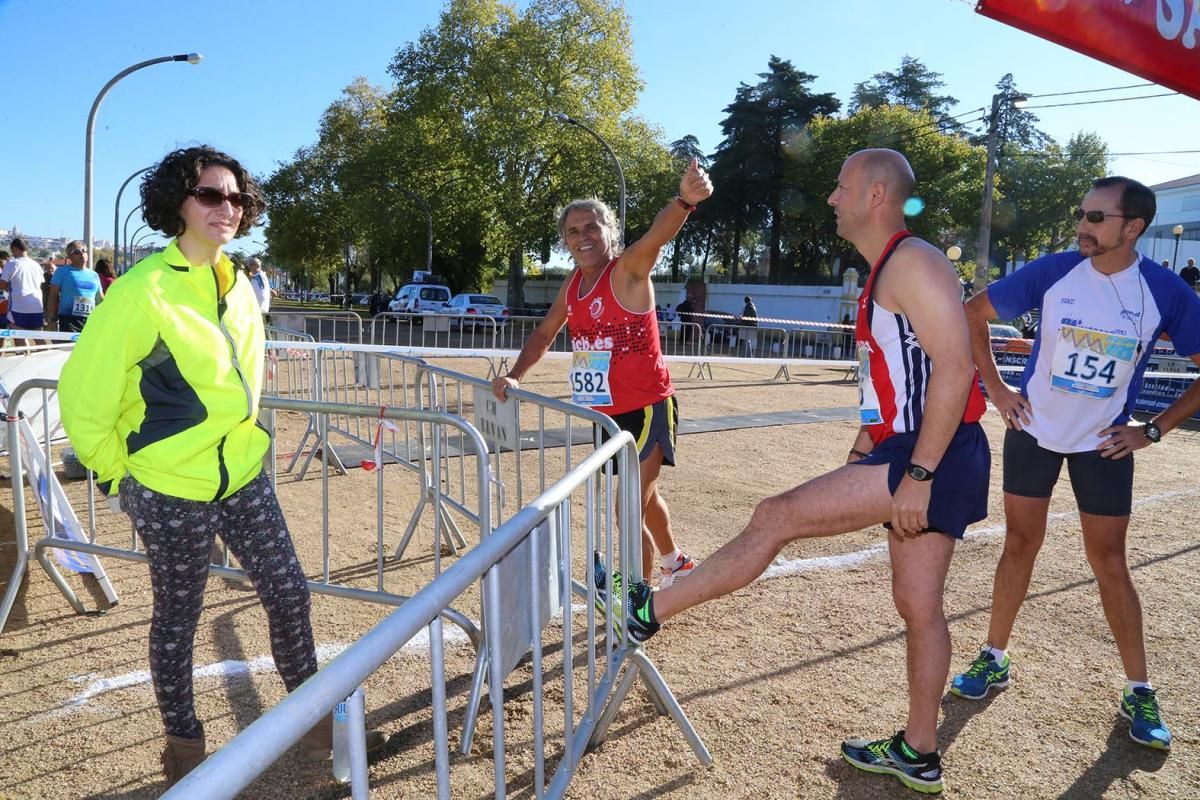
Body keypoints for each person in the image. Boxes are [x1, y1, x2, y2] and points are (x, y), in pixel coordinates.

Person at [597, 149, 990, 794]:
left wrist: (918, 473)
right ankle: (920, 749)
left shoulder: (913, 261)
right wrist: (869, 441)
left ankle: (648, 610)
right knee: (919, 605)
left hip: (932, 453)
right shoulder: (884, 272)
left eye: (841, 186)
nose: (831, 198)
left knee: (773, 516)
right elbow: (895, 376)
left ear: (875, 195)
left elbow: (955, 366)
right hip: (917, 449)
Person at [57, 146, 387, 788]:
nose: (225, 208)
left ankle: (314, 719)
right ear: (178, 202)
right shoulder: (140, 292)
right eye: (210, 195)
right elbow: (83, 396)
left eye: (235, 197)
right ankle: (184, 748)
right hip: (169, 488)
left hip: (243, 475)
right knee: (178, 619)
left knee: (289, 592)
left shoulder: (237, 284)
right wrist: (116, 476)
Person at [952, 177, 1200, 752]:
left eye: (1096, 217)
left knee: (1109, 561)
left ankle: (1139, 689)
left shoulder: (1164, 290)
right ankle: (994, 656)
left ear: (1132, 227)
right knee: (1019, 544)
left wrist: (1153, 430)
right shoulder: (1055, 269)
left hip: (1104, 446)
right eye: (1082, 214)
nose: (1082, 226)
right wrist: (996, 388)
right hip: (1033, 432)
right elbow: (973, 313)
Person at [492, 159, 712, 586]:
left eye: (592, 227)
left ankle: (637, 598)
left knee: (627, 507)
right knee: (646, 500)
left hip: (647, 409)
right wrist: (515, 374)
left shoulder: (627, 270)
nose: (583, 237)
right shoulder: (573, 284)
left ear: (610, 230)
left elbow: (657, 235)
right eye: (573, 232)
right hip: (605, 414)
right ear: (564, 242)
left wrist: (685, 200)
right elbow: (543, 333)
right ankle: (675, 560)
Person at [48, 240, 104, 332]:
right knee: (70, 346)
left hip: (91, 321)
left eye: (84, 250)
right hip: (69, 320)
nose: (82, 254)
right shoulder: (62, 272)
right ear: (70, 256)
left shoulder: (94, 275)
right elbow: (53, 296)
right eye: (77, 252)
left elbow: (100, 299)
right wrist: (51, 319)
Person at [0, 238, 46, 345]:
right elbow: (40, 284)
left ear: (15, 249)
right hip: (36, 307)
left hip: (18, 307)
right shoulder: (36, 265)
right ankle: (46, 358)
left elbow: (2, 284)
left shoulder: (12, 263)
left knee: (18, 336)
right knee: (38, 337)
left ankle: (23, 357)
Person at [246, 255, 274, 322]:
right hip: (261, 308)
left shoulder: (257, 278)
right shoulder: (260, 276)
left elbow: (260, 294)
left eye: (251, 265)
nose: (249, 267)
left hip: (258, 309)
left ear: (256, 266)